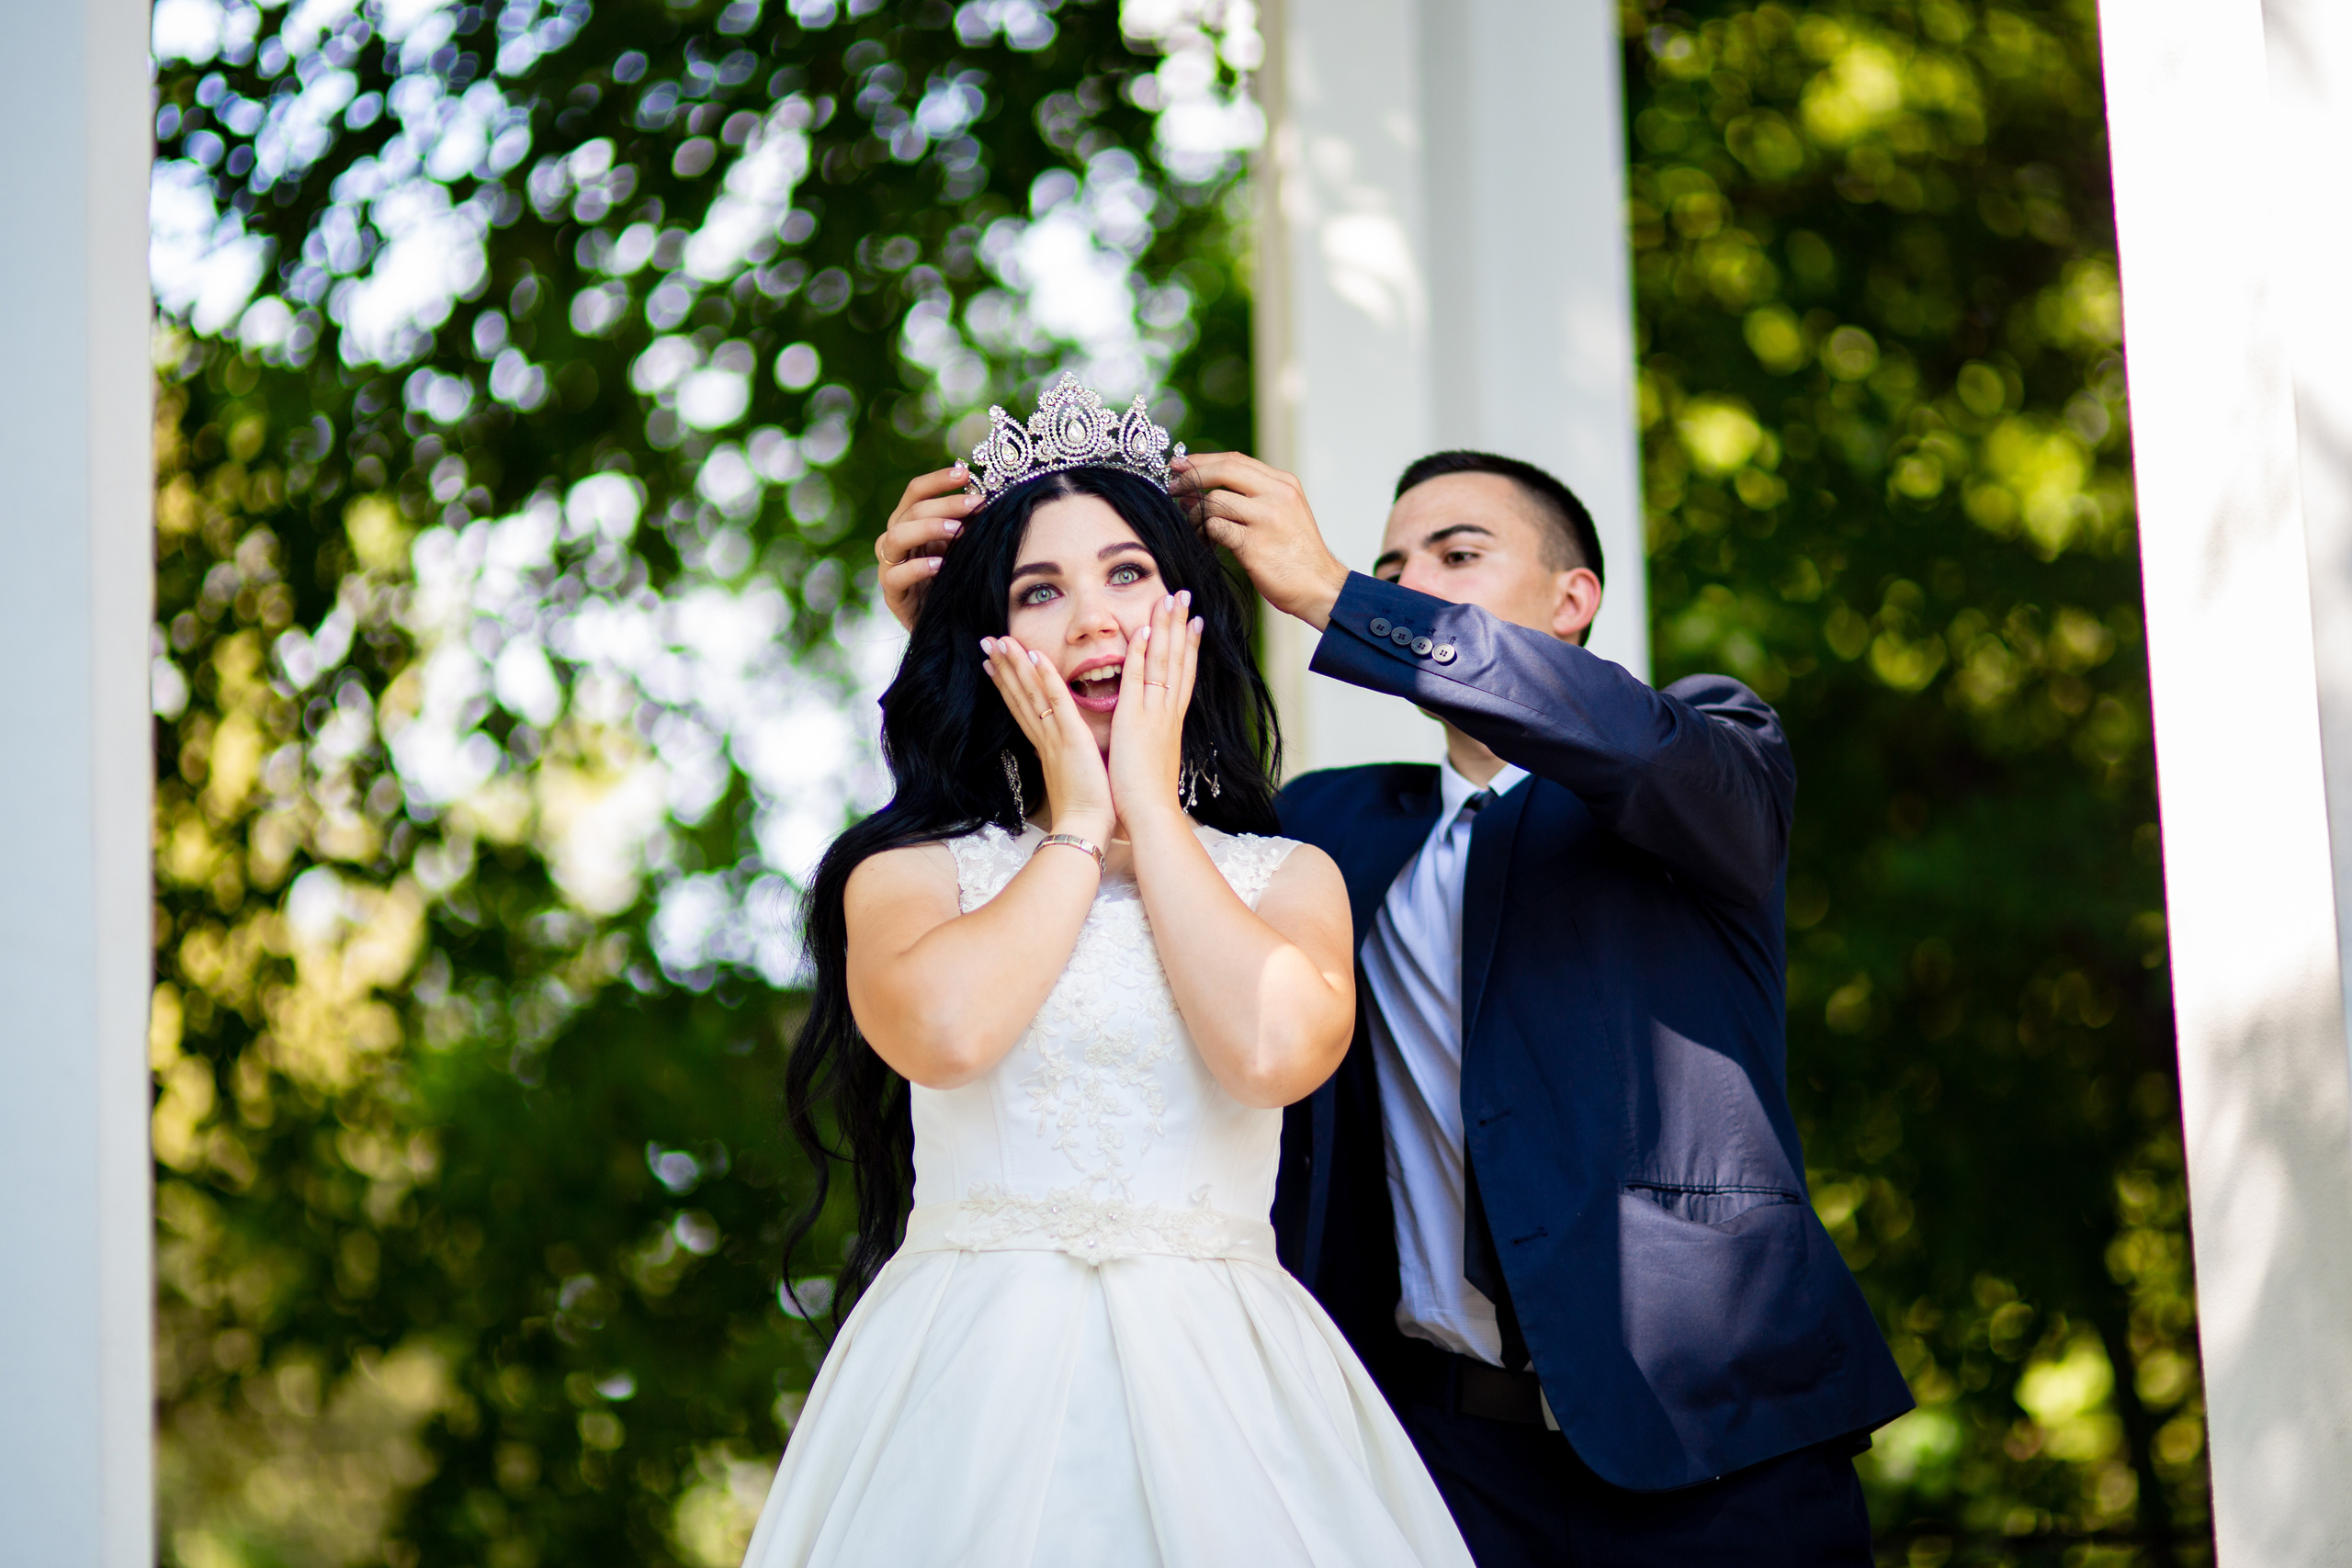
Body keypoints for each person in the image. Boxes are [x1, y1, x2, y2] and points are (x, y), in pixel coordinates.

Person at [746, 378, 1474, 1568]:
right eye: (1040, 589)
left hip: (1232, 1390)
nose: (1091, 616)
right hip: (963, 1390)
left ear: (1190, 609)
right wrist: (1078, 820)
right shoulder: (908, 872)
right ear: (992, 643)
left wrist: (1146, 800)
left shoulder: (1291, 874)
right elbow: (948, 1032)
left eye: (1128, 572)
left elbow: (1270, 1049)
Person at [1176, 447, 1917, 1564]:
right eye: (1391, 560)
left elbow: (1623, 743)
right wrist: (965, 628)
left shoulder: (1706, 758)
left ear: (1574, 601)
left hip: (1720, 1445)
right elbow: (1111, 822)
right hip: (1441, 1464)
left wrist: (1340, 596)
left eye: (1457, 552)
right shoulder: (1328, 829)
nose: (1411, 575)